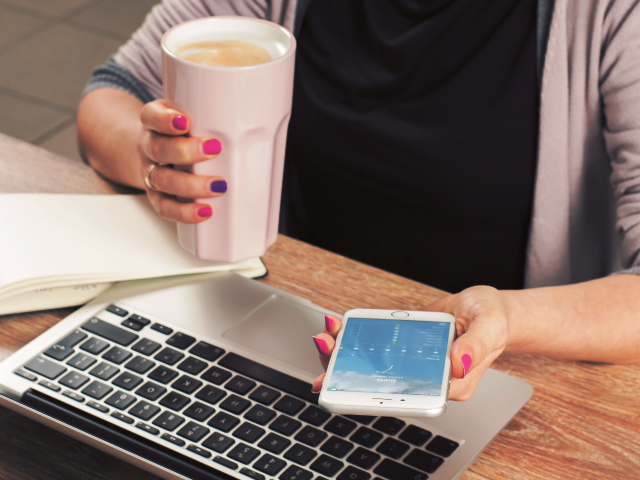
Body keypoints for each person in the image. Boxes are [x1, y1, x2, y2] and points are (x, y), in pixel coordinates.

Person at [77, 0, 640, 402]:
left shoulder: (611, 15)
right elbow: (110, 93)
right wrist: (156, 161)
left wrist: (510, 317)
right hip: (280, 329)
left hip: (507, 381)